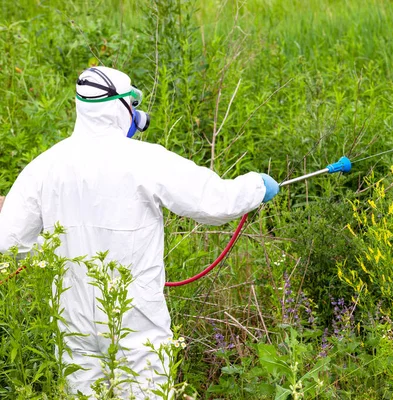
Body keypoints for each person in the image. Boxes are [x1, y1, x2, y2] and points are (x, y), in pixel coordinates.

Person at [0, 66, 279, 398]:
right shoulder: (146, 159)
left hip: (73, 324)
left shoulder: (45, 166)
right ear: (120, 106)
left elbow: (9, 240)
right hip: (135, 321)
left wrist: (58, 247)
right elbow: (213, 202)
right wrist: (255, 187)